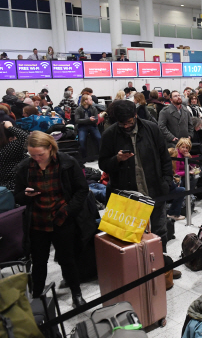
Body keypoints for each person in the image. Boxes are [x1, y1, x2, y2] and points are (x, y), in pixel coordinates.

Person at [99, 100, 179, 280]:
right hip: (126, 195)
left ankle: (162, 268)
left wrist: (166, 181)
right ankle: (136, 274)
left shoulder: (151, 128)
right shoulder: (110, 134)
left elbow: (164, 157)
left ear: (135, 116)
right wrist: (117, 159)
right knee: (129, 236)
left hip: (154, 190)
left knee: (159, 231)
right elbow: (103, 163)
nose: (126, 126)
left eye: (128, 122)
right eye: (122, 124)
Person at [14, 132, 93, 307]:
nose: (36, 158)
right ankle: (36, 296)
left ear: (50, 148)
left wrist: (68, 210)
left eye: (40, 154)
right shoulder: (25, 167)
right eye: (32, 155)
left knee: (67, 259)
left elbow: (82, 190)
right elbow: (18, 195)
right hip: (37, 222)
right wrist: (26, 195)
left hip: (62, 219)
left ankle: (76, 293)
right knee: (39, 261)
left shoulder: (67, 163)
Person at [0, 121, 27, 190]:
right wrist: (10, 127)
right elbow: (25, 138)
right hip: (13, 186)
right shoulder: (8, 150)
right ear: (10, 139)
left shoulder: (4, 150)